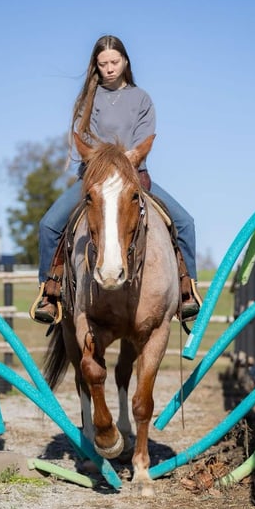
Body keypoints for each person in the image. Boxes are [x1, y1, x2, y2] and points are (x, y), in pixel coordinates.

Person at [30, 34, 202, 325]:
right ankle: (50, 291)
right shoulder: (90, 100)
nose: (109, 68)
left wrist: (129, 160)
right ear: (95, 67)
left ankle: (187, 290)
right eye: (103, 64)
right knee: (49, 224)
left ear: (125, 61)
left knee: (185, 222)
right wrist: (105, 162)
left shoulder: (142, 99)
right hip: (96, 178)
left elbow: (144, 138)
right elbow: (88, 138)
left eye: (114, 61)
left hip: (134, 176)